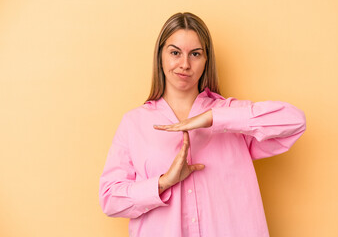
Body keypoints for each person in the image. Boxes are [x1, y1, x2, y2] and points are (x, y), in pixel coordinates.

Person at [99, 12, 306, 237]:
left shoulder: (232, 116)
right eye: (175, 52)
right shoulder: (134, 123)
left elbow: (295, 121)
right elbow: (110, 199)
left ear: (207, 60)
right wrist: (163, 182)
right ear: (161, 56)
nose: (185, 64)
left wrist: (213, 118)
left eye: (195, 54)